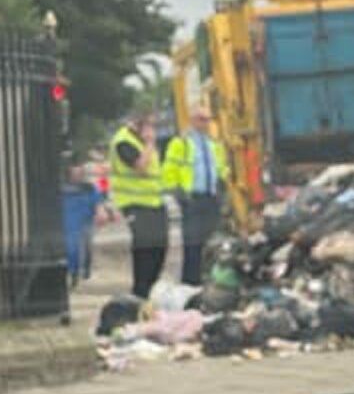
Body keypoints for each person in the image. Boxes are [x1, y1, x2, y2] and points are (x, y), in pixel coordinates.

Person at [163, 105, 229, 286]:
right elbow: (169, 170)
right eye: (202, 119)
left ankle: (210, 281)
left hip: (210, 198)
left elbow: (220, 168)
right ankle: (191, 283)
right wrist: (178, 194)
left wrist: (223, 186)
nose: (206, 123)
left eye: (208, 119)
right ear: (192, 120)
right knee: (192, 244)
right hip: (192, 199)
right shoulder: (181, 143)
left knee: (212, 243)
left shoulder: (214, 143)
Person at [108, 112, 167, 299]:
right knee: (145, 249)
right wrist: (149, 143)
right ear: (137, 127)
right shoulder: (123, 142)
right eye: (149, 128)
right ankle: (140, 292)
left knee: (160, 247)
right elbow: (140, 167)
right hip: (135, 203)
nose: (152, 131)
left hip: (154, 202)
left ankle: (150, 289)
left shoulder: (141, 142)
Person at [61, 163, 104, 288]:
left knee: (87, 246)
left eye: (79, 173)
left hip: (86, 221)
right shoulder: (63, 189)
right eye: (74, 173)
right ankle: (73, 273)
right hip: (71, 223)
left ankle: (86, 269)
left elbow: (98, 201)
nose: (77, 176)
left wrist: (100, 211)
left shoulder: (89, 188)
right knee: (72, 249)